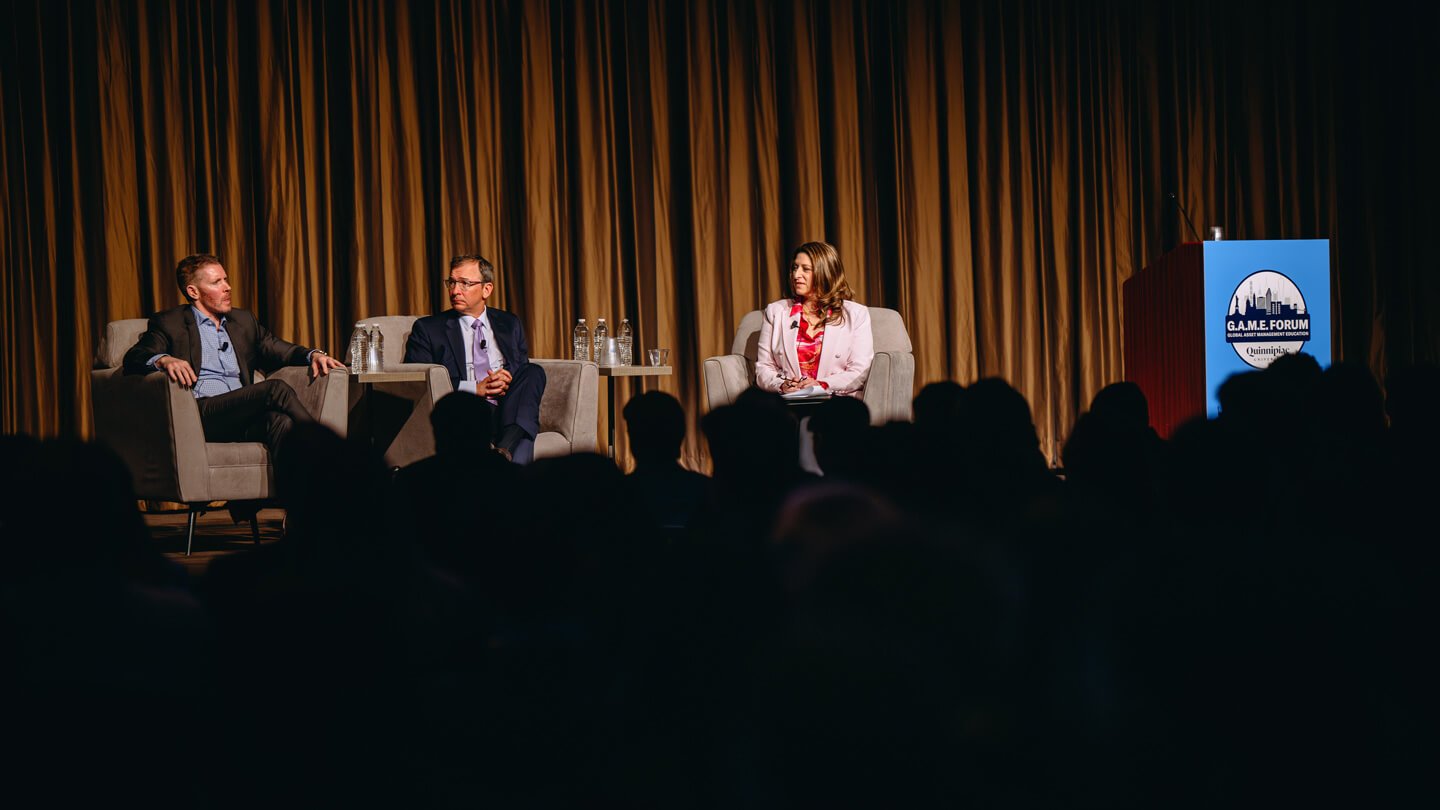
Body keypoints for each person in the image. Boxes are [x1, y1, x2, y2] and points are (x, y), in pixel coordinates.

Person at [122, 253, 344, 458]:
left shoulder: (243, 320)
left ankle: (290, 499)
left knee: (280, 422)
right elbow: (136, 356)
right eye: (216, 282)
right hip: (202, 414)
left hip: (239, 413)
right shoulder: (170, 322)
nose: (227, 287)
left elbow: (278, 348)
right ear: (193, 292)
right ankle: (331, 452)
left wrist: (313, 355)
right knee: (275, 388)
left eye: (225, 279)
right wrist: (164, 359)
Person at [404, 254, 546, 463]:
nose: (454, 290)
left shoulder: (509, 323)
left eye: (465, 283)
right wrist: (475, 388)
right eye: (451, 282)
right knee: (523, 428)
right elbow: (416, 381)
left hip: (507, 404)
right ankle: (513, 471)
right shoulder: (429, 329)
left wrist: (504, 380)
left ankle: (502, 452)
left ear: (486, 289)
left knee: (533, 372)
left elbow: (520, 367)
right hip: (468, 410)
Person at [754, 241, 874, 397]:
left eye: (806, 269)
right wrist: (782, 385)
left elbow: (860, 371)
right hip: (789, 403)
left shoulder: (856, 314)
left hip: (835, 401)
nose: (796, 275)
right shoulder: (776, 312)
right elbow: (764, 367)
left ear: (825, 272)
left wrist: (822, 384)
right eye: (795, 268)